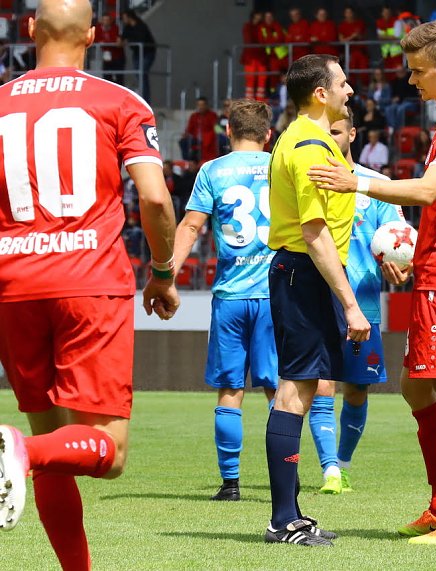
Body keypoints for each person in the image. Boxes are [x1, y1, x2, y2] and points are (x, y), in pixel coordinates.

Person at [0, 2, 178, 569]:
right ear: (95, 35)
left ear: (30, 28)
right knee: (108, 452)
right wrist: (163, 271)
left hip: (13, 287)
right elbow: (155, 198)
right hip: (89, 286)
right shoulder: (120, 101)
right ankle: (17, 449)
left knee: (50, 452)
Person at [309, 19, 436, 545]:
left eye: (417, 71)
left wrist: (357, 182)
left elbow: (428, 190)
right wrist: (420, 254)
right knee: (415, 384)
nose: (411, 81)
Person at [264, 53, 368, 547]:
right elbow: (314, 232)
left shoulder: (312, 139)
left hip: (303, 273)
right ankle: (283, 520)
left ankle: (290, 514)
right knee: (295, 390)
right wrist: (350, 303)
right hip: (303, 273)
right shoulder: (308, 146)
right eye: (343, 83)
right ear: (321, 93)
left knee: (302, 389)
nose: (350, 90)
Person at [171, 99, 277, 502]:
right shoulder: (280, 165)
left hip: (231, 296)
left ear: (228, 131)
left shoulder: (212, 170)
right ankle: (285, 479)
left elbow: (191, 226)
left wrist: (167, 277)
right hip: (274, 296)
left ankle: (230, 484)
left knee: (230, 391)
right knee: (279, 392)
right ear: (268, 134)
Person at [307, 108, 406, 494]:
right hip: (318, 299)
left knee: (356, 390)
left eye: (336, 131)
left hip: (363, 303)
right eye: (325, 132)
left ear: (352, 135)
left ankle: (343, 464)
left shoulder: (377, 184)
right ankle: (330, 470)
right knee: (321, 386)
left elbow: (399, 236)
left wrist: (401, 264)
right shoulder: (310, 180)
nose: (330, 138)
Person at [120, 8, 156, 103]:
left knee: (142, 73)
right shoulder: (127, 27)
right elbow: (123, 37)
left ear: (129, 17)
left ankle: (145, 100)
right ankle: (142, 97)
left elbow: (141, 39)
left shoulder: (141, 26)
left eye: (124, 18)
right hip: (137, 53)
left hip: (147, 52)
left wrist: (128, 41)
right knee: (138, 74)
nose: (123, 20)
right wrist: (120, 40)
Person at [182, 96, 220, 164]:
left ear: (206, 105)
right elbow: (189, 129)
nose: (201, 107)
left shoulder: (212, 115)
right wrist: (185, 134)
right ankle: (188, 160)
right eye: (199, 105)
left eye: (202, 105)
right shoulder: (194, 116)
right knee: (183, 141)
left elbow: (216, 128)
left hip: (208, 139)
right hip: (196, 139)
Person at [241, 11, 266, 101]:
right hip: (250, 57)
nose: (258, 19)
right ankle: (249, 101)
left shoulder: (262, 27)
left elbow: (264, 39)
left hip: (260, 57)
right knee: (250, 78)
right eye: (256, 17)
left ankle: (260, 100)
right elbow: (248, 40)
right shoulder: (248, 26)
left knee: (262, 78)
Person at [94, 13, 124, 85]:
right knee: (107, 77)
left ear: (111, 21)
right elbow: (96, 40)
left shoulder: (115, 28)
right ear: (101, 20)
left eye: (108, 20)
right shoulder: (97, 29)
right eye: (104, 20)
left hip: (117, 56)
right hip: (106, 56)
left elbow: (117, 40)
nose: (106, 22)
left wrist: (105, 42)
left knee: (119, 77)